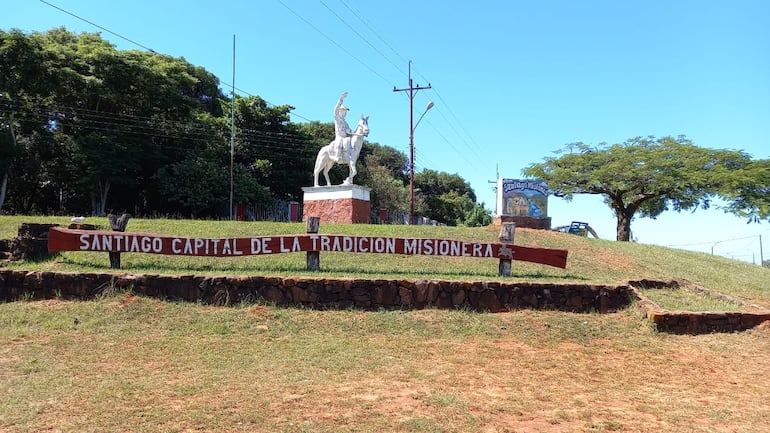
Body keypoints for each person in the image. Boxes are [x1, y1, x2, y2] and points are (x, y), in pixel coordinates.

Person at [330, 92, 352, 161]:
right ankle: (337, 156)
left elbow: (349, 130)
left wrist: (349, 131)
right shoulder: (337, 118)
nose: (345, 112)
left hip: (345, 137)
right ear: (339, 111)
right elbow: (335, 110)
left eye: (345, 111)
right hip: (339, 136)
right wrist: (341, 98)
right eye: (343, 111)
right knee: (339, 143)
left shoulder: (345, 122)